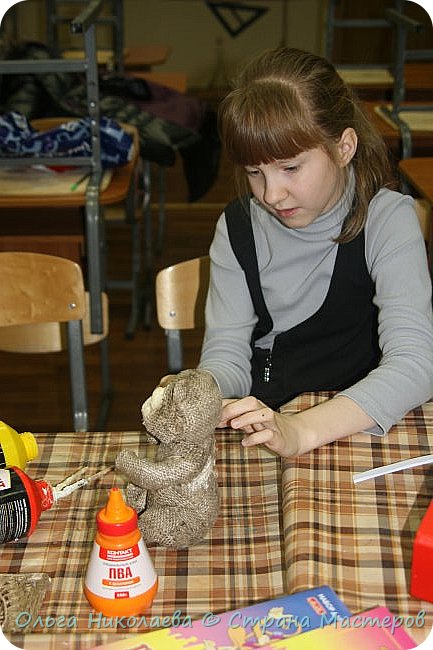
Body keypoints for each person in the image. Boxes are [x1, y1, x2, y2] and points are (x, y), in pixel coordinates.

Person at [193, 46, 433, 458]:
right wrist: (202, 391)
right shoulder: (237, 227)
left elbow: (416, 365)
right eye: (254, 172)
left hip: (360, 428)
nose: (271, 193)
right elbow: (228, 352)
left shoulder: (388, 220)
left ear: (344, 147)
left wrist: (301, 431)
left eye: (290, 168)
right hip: (264, 425)